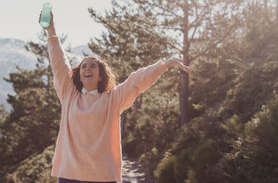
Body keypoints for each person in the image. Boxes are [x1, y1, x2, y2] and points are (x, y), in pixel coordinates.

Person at [40, 11, 192, 183]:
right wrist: (50, 29)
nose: (87, 68)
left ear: (100, 76)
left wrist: (166, 64)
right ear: (79, 75)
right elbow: (59, 62)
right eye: (83, 67)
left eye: (92, 66)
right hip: (70, 175)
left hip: (102, 176)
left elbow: (136, 81)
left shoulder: (112, 99)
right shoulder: (69, 95)